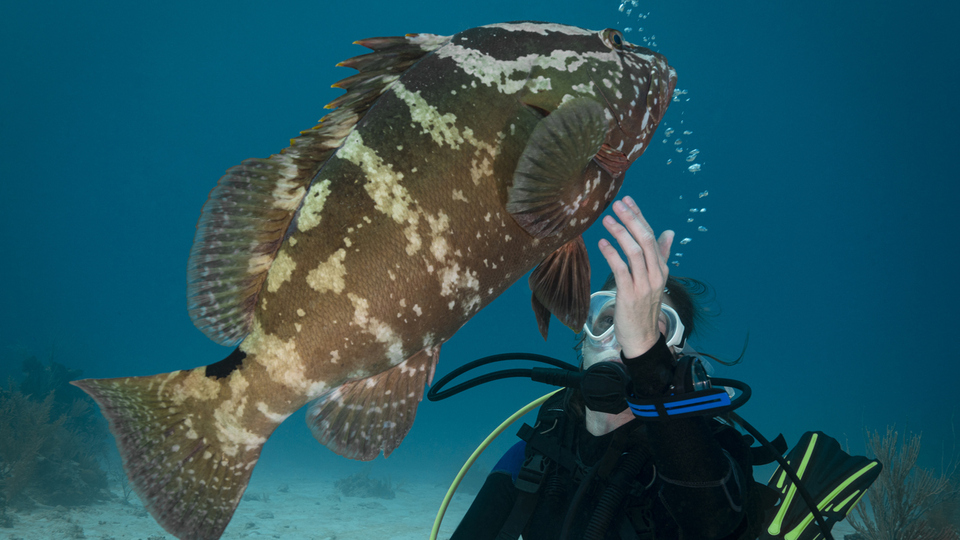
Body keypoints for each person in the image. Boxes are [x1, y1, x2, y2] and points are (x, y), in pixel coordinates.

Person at [450, 196, 766, 540]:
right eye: (608, 321)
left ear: (675, 354)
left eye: (649, 328)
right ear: (583, 342)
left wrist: (648, 365)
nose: (623, 339)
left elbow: (714, 524)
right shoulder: (542, 447)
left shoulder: (714, 449)